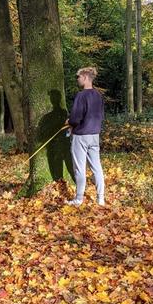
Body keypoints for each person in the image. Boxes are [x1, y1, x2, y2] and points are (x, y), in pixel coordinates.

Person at [65, 66, 106, 206]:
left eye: (78, 77)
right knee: (96, 167)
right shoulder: (99, 96)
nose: (77, 79)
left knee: (79, 167)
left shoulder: (81, 95)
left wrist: (69, 122)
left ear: (85, 77)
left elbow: (76, 118)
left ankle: (79, 198)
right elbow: (101, 116)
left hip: (81, 135)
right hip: (95, 135)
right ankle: (101, 198)